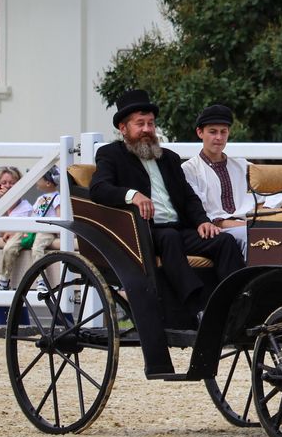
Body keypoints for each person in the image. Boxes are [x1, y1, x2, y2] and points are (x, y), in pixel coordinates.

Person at [89, 90, 245, 321]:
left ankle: (236, 303)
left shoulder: (168, 158)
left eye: (150, 124)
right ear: (123, 128)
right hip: (142, 232)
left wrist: (202, 221)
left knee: (224, 240)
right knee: (170, 237)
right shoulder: (111, 154)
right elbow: (98, 188)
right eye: (139, 124)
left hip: (179, 229)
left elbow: (189, 196)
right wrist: (132, 195)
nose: (146, 129)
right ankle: (198, 307)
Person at [182, 103, 282, 259]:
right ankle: (253, 283)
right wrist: (250, 226)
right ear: (200, 132)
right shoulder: (189, 170)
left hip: (248, 225)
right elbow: (208, 216)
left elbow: (276, 192)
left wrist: (264, 216)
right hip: (216, 231)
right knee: (255, 237)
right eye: (212, 132)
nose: (219, 137)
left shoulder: (242, 165)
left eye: (223, 132)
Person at [0, 165, 61, 291]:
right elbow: (33, 215)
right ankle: (3, 278)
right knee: (10, 246)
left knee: (37, 248)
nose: (36, 181)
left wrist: (60, 232)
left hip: (46, 229)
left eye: (39, 178)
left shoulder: (57, 198)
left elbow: (60, 216)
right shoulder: (40, 199)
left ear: (48, 182)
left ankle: (42, 280)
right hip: (32, 228)